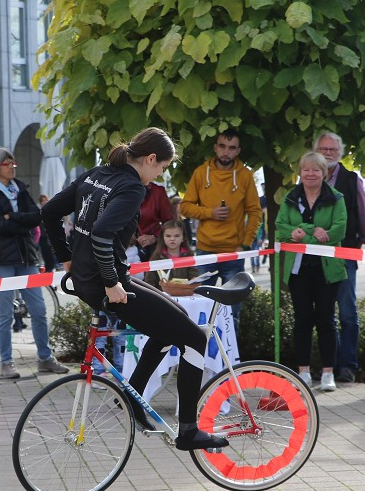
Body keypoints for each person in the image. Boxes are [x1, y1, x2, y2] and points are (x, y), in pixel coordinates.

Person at [42, 127, 229, 452]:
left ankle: (133, 395)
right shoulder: (130, 188)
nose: (160, 175)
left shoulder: (97, 173)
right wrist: (112, 283)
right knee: (197, 338)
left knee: (178, 319)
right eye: (162, 168)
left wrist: (66, 258)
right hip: (109, 284)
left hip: (89, 280)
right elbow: (100, 233)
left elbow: (49, 212)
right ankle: (188, 431)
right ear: (150, 159)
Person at [0, 147, 69, 379]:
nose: (12, 167)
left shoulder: (21, 189)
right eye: (8, 163)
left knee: (38, 309)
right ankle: (6, 362)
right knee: (5, 313)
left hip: (25, 256)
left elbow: (37, 216)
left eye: (13, 163)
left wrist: (14, 217)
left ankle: (45, 358)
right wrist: (21, 222)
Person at [275, 151, 347, 393]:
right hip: (299, 270)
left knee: (326, 320)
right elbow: (281, 229)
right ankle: (303, 372)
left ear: (324, 173)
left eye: (316, 169)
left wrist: (302, 234)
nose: (310, 174)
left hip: (328, 270)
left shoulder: (336, 198)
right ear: (300, 172)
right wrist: (311, 229)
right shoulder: (289, 198)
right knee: (303, 320)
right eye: (306, 169)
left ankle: (328, 374)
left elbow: (338, 232)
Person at [179, 128, 262, 321]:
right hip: (205, 252)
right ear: (215, 148)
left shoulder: (245, 175)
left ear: (238, 151)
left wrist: (245, 244)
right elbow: (185, 207)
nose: (226, 151)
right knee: (199, 309)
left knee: (232, 313)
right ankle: (200, 351)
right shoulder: (201, 173)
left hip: (234, 253)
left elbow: (255, 212)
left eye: (232, 148)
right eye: (222, 146)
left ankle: (232, 353)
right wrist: (210, 213)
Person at [315, 132, 365, 384]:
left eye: (332, 149)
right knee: (325, 314)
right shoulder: (309, 176)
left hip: (346, 253)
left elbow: (363, 212)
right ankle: (330, 365)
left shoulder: (351, 179)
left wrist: (361, 242)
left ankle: (347, 366)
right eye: (323, 148)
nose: (327, 153)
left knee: (348, 312)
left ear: (339, 153)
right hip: (317, 256)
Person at [143, 219, 199, 290]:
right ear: (162, 238)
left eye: (177, 236)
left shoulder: (189, 256)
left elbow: (194, 276)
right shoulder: (156, 258)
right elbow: (149, 283)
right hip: (162, 297)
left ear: (183, 238)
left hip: (185, 296)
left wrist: (194, 280)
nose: (172, 239)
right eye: (168, 236)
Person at [135, 181, 175, 261]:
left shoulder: (158, 191)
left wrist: (154, 237)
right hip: (124, 248)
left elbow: (170, 224)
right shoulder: (118, 189)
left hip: (151, 250)